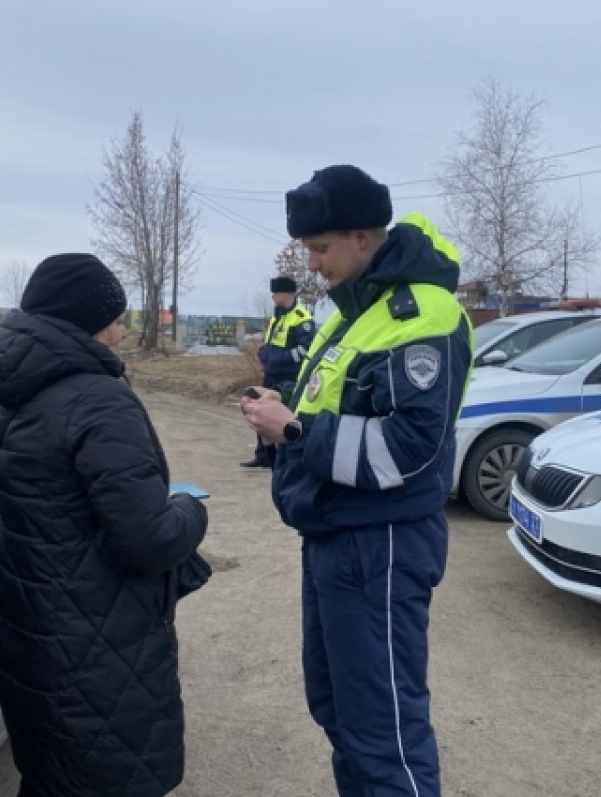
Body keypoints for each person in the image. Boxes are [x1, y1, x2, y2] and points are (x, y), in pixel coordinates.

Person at [241, 165, 472, 796]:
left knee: (384, 733)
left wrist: (290, 432)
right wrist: (284, 402)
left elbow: (407, 451)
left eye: (320, 248)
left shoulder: (422, 313)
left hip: (381, 544)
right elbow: (333, 400)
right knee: (339, 710)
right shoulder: (352, 311)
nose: (313, 264)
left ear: (363, 238)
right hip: (335, 537)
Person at [0, 253, 209, 797]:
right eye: (116, 320)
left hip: (33, 630)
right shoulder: (98, 400)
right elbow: (149, 539)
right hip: (96, 645)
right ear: (90, 323)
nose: (124, 334)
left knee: (52, 776)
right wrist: (191, 509)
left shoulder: (15, 393)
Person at [242, 275, 316, 468]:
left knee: (285, 418)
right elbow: (271, 342)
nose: (273, 297)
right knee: (260, 411)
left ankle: (287, 458)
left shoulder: (302, 318)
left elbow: (305, 349)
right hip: (271, 373)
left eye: (275, 293)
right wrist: (264, 353)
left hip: (289, 377)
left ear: (286, 293)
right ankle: (263, 455)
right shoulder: (277, 316)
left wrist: (279, 358)